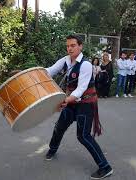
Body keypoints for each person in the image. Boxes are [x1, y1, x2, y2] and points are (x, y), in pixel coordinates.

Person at [44, 35, 113, 179]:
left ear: (80, 46)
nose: (69, 48)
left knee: (83, 136)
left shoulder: (86, 65)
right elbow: (49, 71)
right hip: (72, 102)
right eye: (68, 45)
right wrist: (31, 73)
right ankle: (52, 149)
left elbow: (81, 89)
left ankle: (105, 167)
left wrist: (66, 100)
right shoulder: (65, 60)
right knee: (60, 126)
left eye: (73, 45)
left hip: (86, 104)